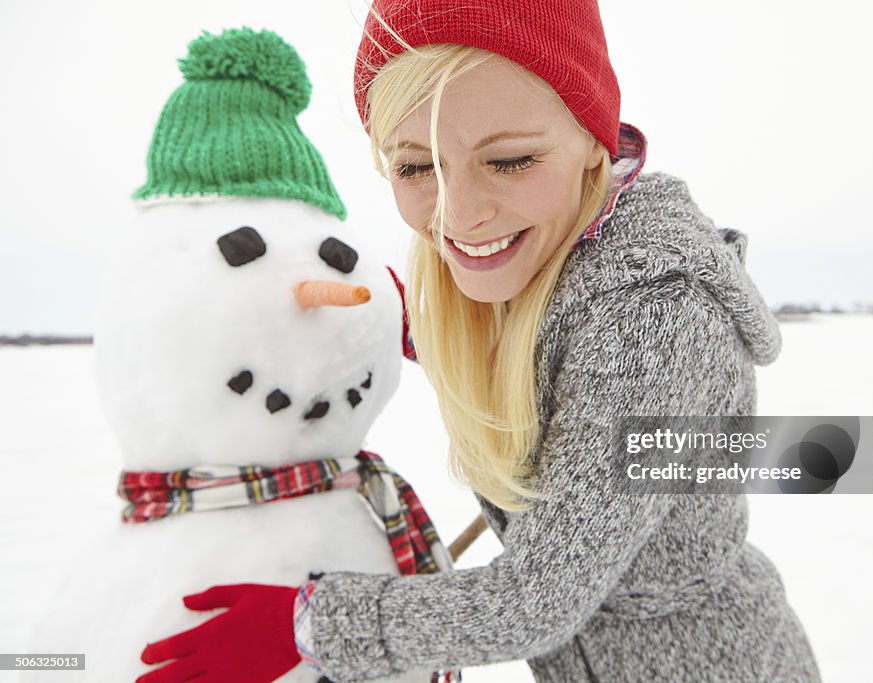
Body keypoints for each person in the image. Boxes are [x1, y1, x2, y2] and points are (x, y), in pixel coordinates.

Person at [137, 1, 823, 681]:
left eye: (512, 159)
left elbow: (536, 599)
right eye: (414, 168)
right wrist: (409, 328)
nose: (459, 213)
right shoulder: (556, 259)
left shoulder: (654, 320)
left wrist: (309, 627)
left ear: (595, 137)